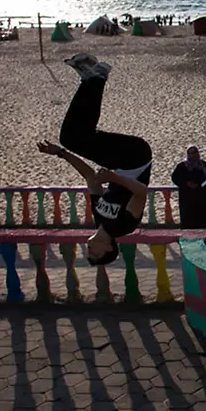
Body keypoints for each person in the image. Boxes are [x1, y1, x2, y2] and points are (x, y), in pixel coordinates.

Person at [38, 53, 152, 266]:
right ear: (109, 248)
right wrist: (114, 178)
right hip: (137, 157)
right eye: (95, 254)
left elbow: (90, 176)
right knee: (77, 138)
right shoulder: (124, 227)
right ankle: (97, 78)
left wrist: (61, 154)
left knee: (71, 138)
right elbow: (141, 193)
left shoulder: (99, 218)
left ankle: (89, 80)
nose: (89, 250)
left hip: (120, 163)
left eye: (88, 253)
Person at [172, 145, 206, 229]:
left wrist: (200, 186)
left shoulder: (203, 165)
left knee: (202, 221)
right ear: (188, 154)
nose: (194, 155)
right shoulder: (182, 166)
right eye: (192, 153)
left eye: (196, 152)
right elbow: (175, 178)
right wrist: (186, 184)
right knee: (188, 222)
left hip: (200, 197)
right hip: (186, 198)